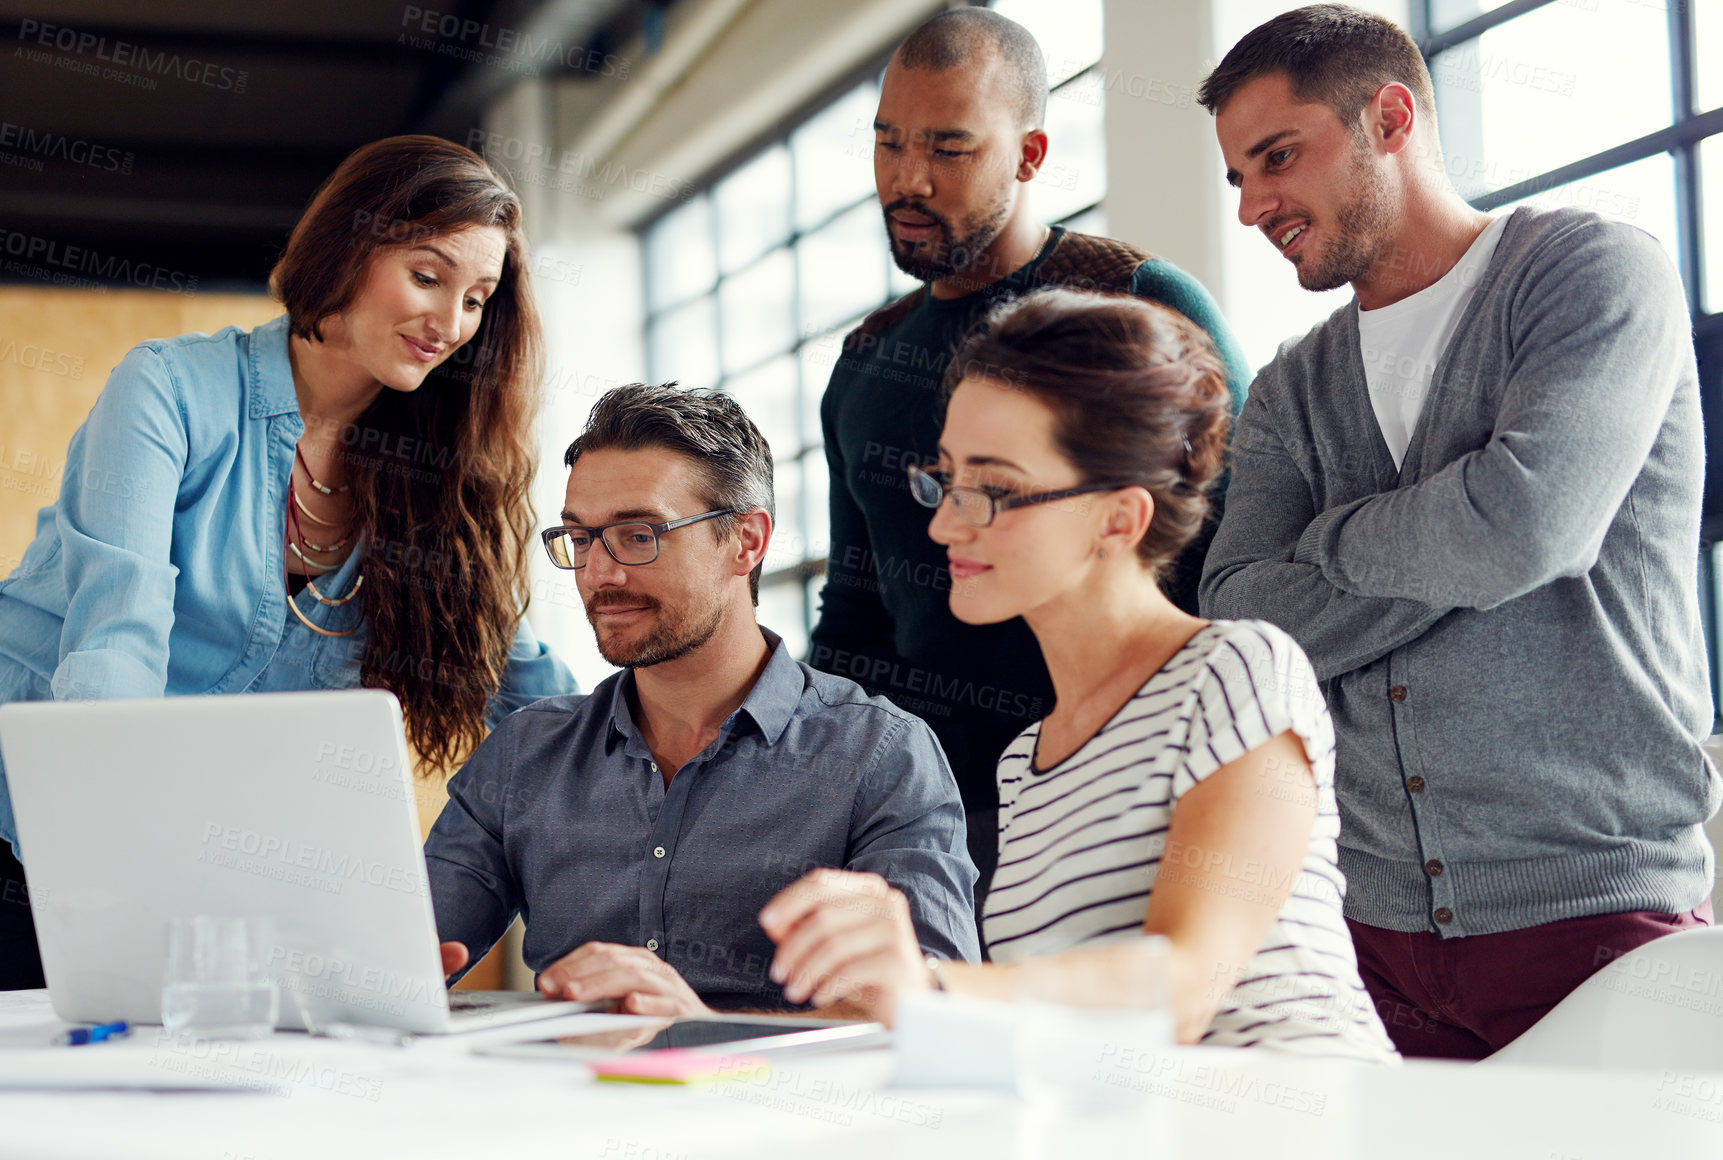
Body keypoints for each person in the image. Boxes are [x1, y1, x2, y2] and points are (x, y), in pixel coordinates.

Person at [1193, 5, 1716, 1058]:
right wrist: (1459, 526)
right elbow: (1239, 606)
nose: (1253, 206)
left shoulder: (1590, 274)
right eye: (1237, 179)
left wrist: (1325, 540)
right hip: (1367, 937)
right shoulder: (1295, 381)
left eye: (1277, 158)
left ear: (1389, 117)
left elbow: (1522, 529)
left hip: (1598, 915)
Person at [0, 135, 576, 988]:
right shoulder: (170, 389)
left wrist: (671, 759)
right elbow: (114, 647)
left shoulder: (438, 483)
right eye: (427, 276)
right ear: (349, 246)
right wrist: (114, 871)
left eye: (476, 299)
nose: (450, 324)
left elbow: (535, 699)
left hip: (194, 872)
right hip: (34, 828)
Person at [759, 290, 1395, 1061]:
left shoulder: (1235, 672)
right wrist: (706, 1023)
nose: (942, 523)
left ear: (1117, 520)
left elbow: (1185, 988)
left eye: (991, 490)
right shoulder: (1026, 761)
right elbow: (1044, 1030)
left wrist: (927, 989)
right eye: (946, 477)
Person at [809, 7, 1252, 912]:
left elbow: (1239, 547)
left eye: (949, 148)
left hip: (1126, 786)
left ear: (1031, 154)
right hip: (926, 814)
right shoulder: (863, 363)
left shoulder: (1134, 298)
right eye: (888, 144)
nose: (907, 179)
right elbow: (854, 616)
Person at [427, 384, 978, 1013]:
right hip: (564, 1101)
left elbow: (931, 1017)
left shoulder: (879, 755)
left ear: (746, 541)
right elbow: (404, 953)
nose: (600, 575)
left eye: (638, 535)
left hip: (779, 1107)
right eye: (580, 539)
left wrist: (703, 1029)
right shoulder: (525, 754)